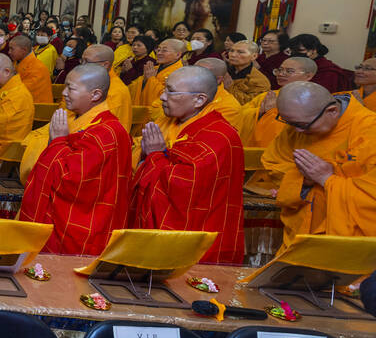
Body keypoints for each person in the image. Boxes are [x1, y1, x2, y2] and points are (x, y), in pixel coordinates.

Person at [131, 66, 245, 265]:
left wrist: (156, 155)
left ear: (199, 100)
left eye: (171, 92)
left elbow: (184, 188)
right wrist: (147, 154)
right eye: (164, 90)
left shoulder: (217, 136)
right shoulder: (170, 120)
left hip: (198, 231)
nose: (162, 98)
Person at [18, 64, 131, 255]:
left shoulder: (106, 131)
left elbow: (71, 181)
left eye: (71, 88)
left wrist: (58, 143)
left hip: (85, 223)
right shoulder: (78, 119)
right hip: (68, 217)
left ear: (95, 95)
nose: (63, 93)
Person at [259, 82, 376, 250]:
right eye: (289, 123)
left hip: (353, 244)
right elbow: (273, 162)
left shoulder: (369, 131)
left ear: (332, 111)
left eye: (302, 125)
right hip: (300, 230)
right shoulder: (298, 124)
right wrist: (303, 180)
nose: (297, 131)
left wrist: (326, 178)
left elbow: (371, 197)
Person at [233, 56, 317, 148]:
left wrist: (272, 112)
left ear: (308, 76)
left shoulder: (314, 99)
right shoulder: (267, 96)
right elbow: (239, 116)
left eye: (289, 71)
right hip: (256, 150)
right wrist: (260, 112)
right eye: (279, 70)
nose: (281, 74)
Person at [80, 44, 132, 128]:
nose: (82, 65)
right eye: (82, 60)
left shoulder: (115, 91)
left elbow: (100, 126)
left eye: (87, 61)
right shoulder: (94, 81)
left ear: (105, 65)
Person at [288, 33, 353, 93]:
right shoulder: (298, 64)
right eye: (293, 51)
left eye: (300, 50)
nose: (295, 54)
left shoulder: (329, 72)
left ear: (314, 50)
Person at [133, 38, 184, 107]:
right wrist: (145, 80)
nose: (159, 53)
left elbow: (167, 97)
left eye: (164, 50)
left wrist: (151, 79)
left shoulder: (179, 74)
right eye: (159, 50)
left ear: (177, 55)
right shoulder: (155, 68)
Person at [6, 34, 52, 104]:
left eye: (12, 49)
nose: (9, 52)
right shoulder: (17, 62)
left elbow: (21, 91)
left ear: (24, 50)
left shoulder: (37, 68)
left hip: (39, 109)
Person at [223, 40, 270, 104]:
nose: (233, 55)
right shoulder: (223, 71)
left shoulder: (260, 81)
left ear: (254, 56)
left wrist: (229, 88)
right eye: (231, 51)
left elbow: (252, 104)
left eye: (240, 52)